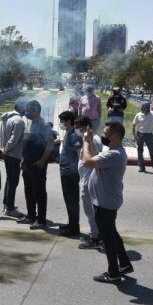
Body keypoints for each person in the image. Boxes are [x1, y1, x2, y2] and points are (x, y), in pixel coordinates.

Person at [82, 122, 131, 283]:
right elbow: (96, 156)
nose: (103, 136)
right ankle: (124, 263)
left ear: (114, 136)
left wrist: (86, 142)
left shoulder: (115, 154)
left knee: (107, 237)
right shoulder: (112, 151)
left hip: (105, 202)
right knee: (112, 233)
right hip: (106, 200)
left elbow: (88, 161)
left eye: (105, 133)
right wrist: (90, 141)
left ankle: (113, 273)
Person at [21, 100, 54, 229]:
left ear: (37, 111)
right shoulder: (30, 123)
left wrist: (42, 160)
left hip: (37, 164)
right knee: (28, 190)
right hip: (27, 164)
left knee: (39, 192)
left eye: (30, 110)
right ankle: (30, 215)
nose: (27, 112)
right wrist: (24, 160)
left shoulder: (44, 125)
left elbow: (50, 144)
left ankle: (41, 220)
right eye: (27, 109)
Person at [74, 116, 103, 249]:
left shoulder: (93, 140)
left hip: (88, 181)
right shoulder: (88, 138)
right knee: (91, 211)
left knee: (90, 211)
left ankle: (95, 238)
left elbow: (93, 159)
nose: (77, 130)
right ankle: (97, 234)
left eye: (78, 128)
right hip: (86, 179)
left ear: (86, 127)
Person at [0, 101, 25, 216]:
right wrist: (5, 149)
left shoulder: (6, 118)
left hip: (7, 154)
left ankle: (6, 203)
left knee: (9, 180)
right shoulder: (19, 121)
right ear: (21, 108)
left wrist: (0, 148)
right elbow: (14, 139)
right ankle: (9, 208)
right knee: (13, 181)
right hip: (14, 155)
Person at [58, 111, 82, 237]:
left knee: (72, 201)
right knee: (68, 201)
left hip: (71, 174)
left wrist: (78, 173)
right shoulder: (68, 133)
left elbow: (79, 155)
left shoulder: (74, 135)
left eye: (62, 121)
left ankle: (74, 228)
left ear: (68, 121)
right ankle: (71, 224)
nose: (61, 123)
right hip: (65, 172)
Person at [132, 102, 153, 174]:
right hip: (140, 134)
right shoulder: (138, 115)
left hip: (149, 135)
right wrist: (134, 136)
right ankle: (142, 167)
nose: (147, 111)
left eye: (148, 109)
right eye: (145, 109)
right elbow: (134, 125)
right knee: (140, 151)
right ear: (142, 109)